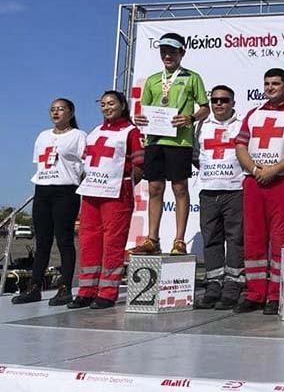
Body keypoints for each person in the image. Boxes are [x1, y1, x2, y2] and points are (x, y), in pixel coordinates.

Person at [132, 33, 210, 255]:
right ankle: (152, 239)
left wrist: (191, 118)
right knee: (155, 188)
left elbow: (205, 108)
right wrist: (139, 118)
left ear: (182, 53)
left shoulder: (192, 77)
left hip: (180, 141)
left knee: (179, 188)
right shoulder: (153, 80)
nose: (168, 55)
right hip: (155, 140)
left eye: (173, 51)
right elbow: (143, 110)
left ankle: (179, 240)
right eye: (164, 51)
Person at [68, 91, 144, 309]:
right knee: (88, 240)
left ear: (122, 105)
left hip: (117, 194)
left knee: (112, 242)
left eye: (111, 103)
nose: (106, 107)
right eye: (102, 104)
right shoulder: (94, 132)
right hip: (91, 193)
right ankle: (86, 291)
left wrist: (126, 186)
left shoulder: (131, 132)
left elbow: (139, 165)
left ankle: (108, 292)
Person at [233, 69, 284, 315]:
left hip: (283, 182)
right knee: (254, 240)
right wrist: (254, 168)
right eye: (267, 83)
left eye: (276, 83)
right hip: (254, 182)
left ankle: (276, 295)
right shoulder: (254, 114)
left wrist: (273, 170)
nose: (270, 87)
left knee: (282, 240)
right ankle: (254, 293)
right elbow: (240, 145)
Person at [13, 99, 86, 305]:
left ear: (71, 113)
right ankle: (34, 286)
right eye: (52, 109)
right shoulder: (43, 136)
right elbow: (40, 163)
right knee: (42, 241)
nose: (56, 113)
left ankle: (64, 288)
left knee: (63, 239)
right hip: (43, 189)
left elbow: (85, 164)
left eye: (61, 109)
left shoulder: (78, 136)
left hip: (66, 191)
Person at [193, 85, 245, 310]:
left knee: (236, 240)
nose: (219, 104)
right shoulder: (201, 126)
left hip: (236, 190)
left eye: (224, 100)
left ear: (233, 102)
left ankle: (233, 285)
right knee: (211, 239)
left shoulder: (242, 124)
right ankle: (214, 285)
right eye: (214, 100)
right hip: (208, 191)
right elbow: (196, 155)